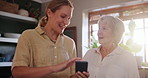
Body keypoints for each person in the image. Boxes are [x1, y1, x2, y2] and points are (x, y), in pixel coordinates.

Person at [11, 0, 89, 78]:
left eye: (69, 18)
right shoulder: (28, 36)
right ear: (49, 13)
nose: (66, 22)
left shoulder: (70, 43)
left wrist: (79, 76)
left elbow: (71, 75)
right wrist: (54, 68)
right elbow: (17, 72)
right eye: (63, 16)